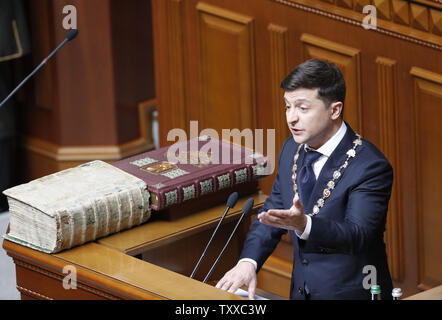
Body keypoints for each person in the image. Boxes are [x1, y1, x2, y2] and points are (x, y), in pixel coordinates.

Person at [216, 59, 393, 300]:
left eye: (302, 108)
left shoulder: (370, 166)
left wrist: (304, 225)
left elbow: (358, 235)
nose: (291, 118)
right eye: (287, 107)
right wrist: (249, 262)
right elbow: (272, 212)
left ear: (334, 110)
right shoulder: (291, 149)